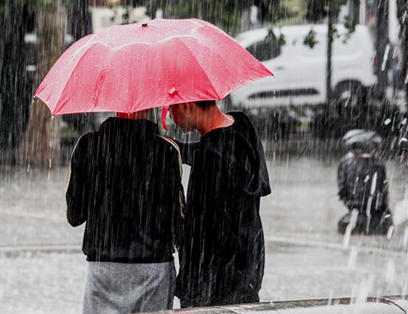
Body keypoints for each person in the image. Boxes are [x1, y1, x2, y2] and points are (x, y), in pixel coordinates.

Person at [66, 109, 184, 314]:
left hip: (104, 266)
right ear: (149, 106)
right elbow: (179, 223)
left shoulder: (88, 145)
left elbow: (75, 216)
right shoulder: (167, 150)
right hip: (154, 267)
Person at [169, 100, 271, 308]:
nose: (170, 116)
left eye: (170, 109)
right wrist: (176, 148)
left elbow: (202, 236)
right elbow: (219, 149)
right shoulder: (242, 126)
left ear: (187, 106)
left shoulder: (209, 160)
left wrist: (191, 294)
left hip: (213, 289)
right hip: (247, 272)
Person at [336, 129, 393, 235]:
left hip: (355, 210)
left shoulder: (346, 161)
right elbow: (384, 188)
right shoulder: (378, 161)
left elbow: (342, 188)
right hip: (378, 211)